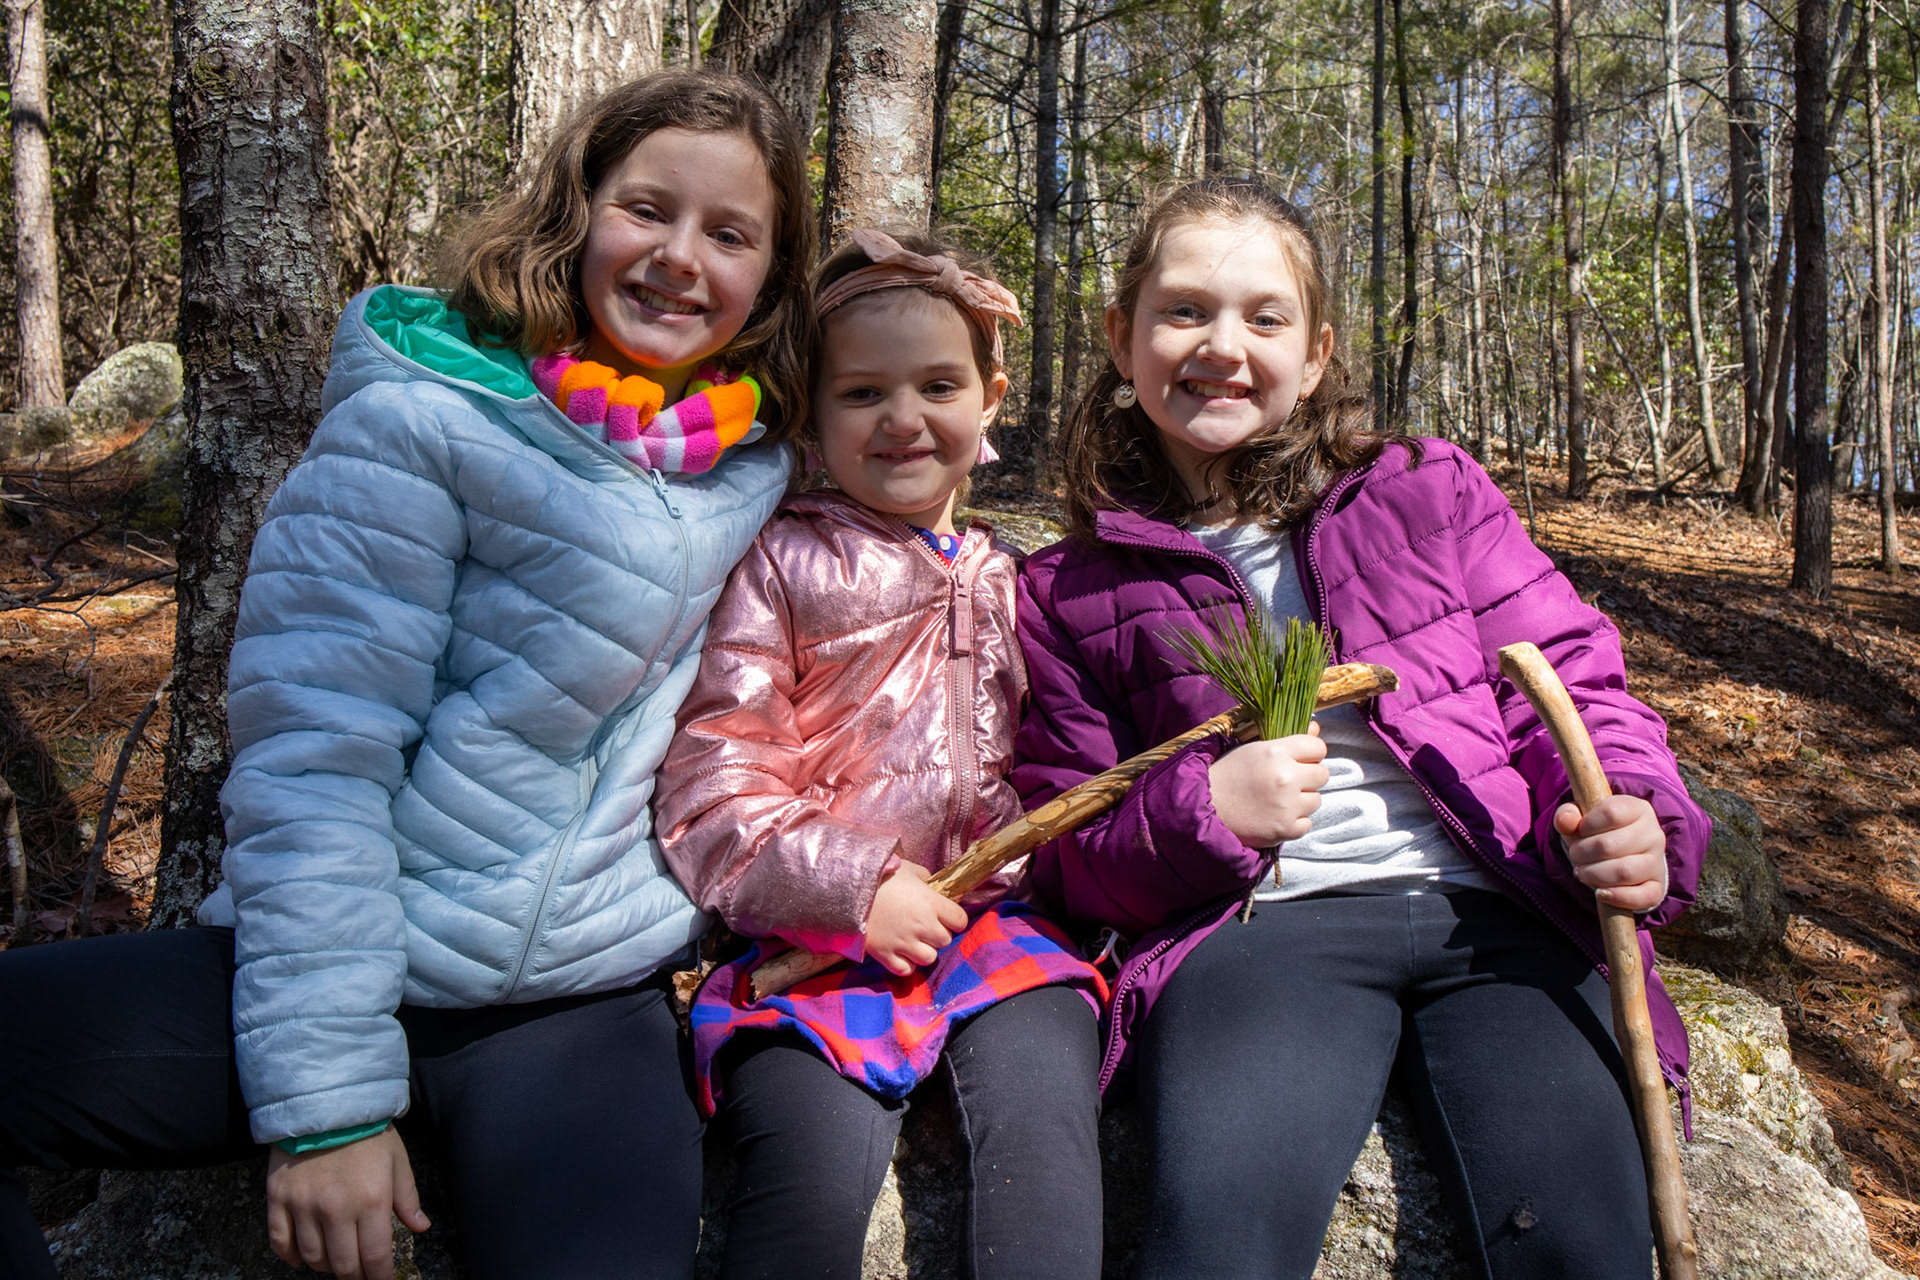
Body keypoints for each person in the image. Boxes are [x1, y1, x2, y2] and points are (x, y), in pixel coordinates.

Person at [0, 69, 816, 1280]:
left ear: (768, 277)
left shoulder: (759, 457)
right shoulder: (427, 417)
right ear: (578, 212)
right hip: (361, 950)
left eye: (730, 232)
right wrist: (326, 1100)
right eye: (649, 209)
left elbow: (907, 469)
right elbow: (314, 752)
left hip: (581, 1006)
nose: (680, 257)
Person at [1010, 177, 1712, 1280]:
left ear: (1320, 350)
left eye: (1265, 317)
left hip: (1501, 914)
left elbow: (1575, 683)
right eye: (1184, 310)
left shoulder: (1425, 490)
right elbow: (1063, 850)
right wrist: (1206, 812)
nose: (1221, 345)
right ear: (1122, 332)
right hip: (1262, 933)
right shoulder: (1068, 588)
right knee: (1218, 1245)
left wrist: (1636, 815)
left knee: (1578, 1240)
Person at [653, 228, 1107, 1280]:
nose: (903, 419)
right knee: (802, 1186)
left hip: (998, 927)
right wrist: (854, 887)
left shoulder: (1017, 575)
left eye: (938, 384)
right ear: (810, 413)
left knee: (1047, 1140)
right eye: (862, 394)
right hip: (813, 944)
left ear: (990, 397)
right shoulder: (783, 560)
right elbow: (713, 777)